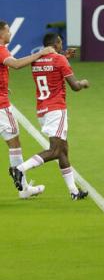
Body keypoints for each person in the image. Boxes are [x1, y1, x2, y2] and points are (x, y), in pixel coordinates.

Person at [9, 32, 90, 200]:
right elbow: (74, 86)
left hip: (42, 110)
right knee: (55, 150)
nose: (62, 46)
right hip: (56, 109)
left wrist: (63, 57)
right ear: (57, 43)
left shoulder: (36, 60)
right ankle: (20, 168)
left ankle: (74, 191)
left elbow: (50, 64)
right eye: (60, 43)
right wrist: (83, 83)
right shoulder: (60, 60)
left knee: (63, 150)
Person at [0, 19, 54, 199]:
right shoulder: (1, 50)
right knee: (14, 144)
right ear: (1, 33)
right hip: (1, 107)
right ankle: (23, 188)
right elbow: (15, 65)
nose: (10, 34)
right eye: (8, 31)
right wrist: (40, 54)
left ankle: (23, 188)